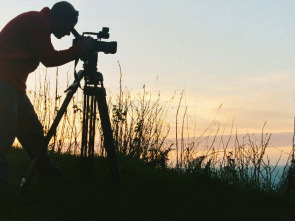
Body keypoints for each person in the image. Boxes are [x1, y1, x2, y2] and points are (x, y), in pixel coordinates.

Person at [0, 1, 96, 193]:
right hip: (4, 82)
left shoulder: (38, 22)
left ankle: (48, 175)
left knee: (33, 133)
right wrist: (80, 49)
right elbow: (49, 59)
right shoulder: (38, 22)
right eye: (69, 26)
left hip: (13, 85)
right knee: (3, 136)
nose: (69, 33)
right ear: (60, 19)